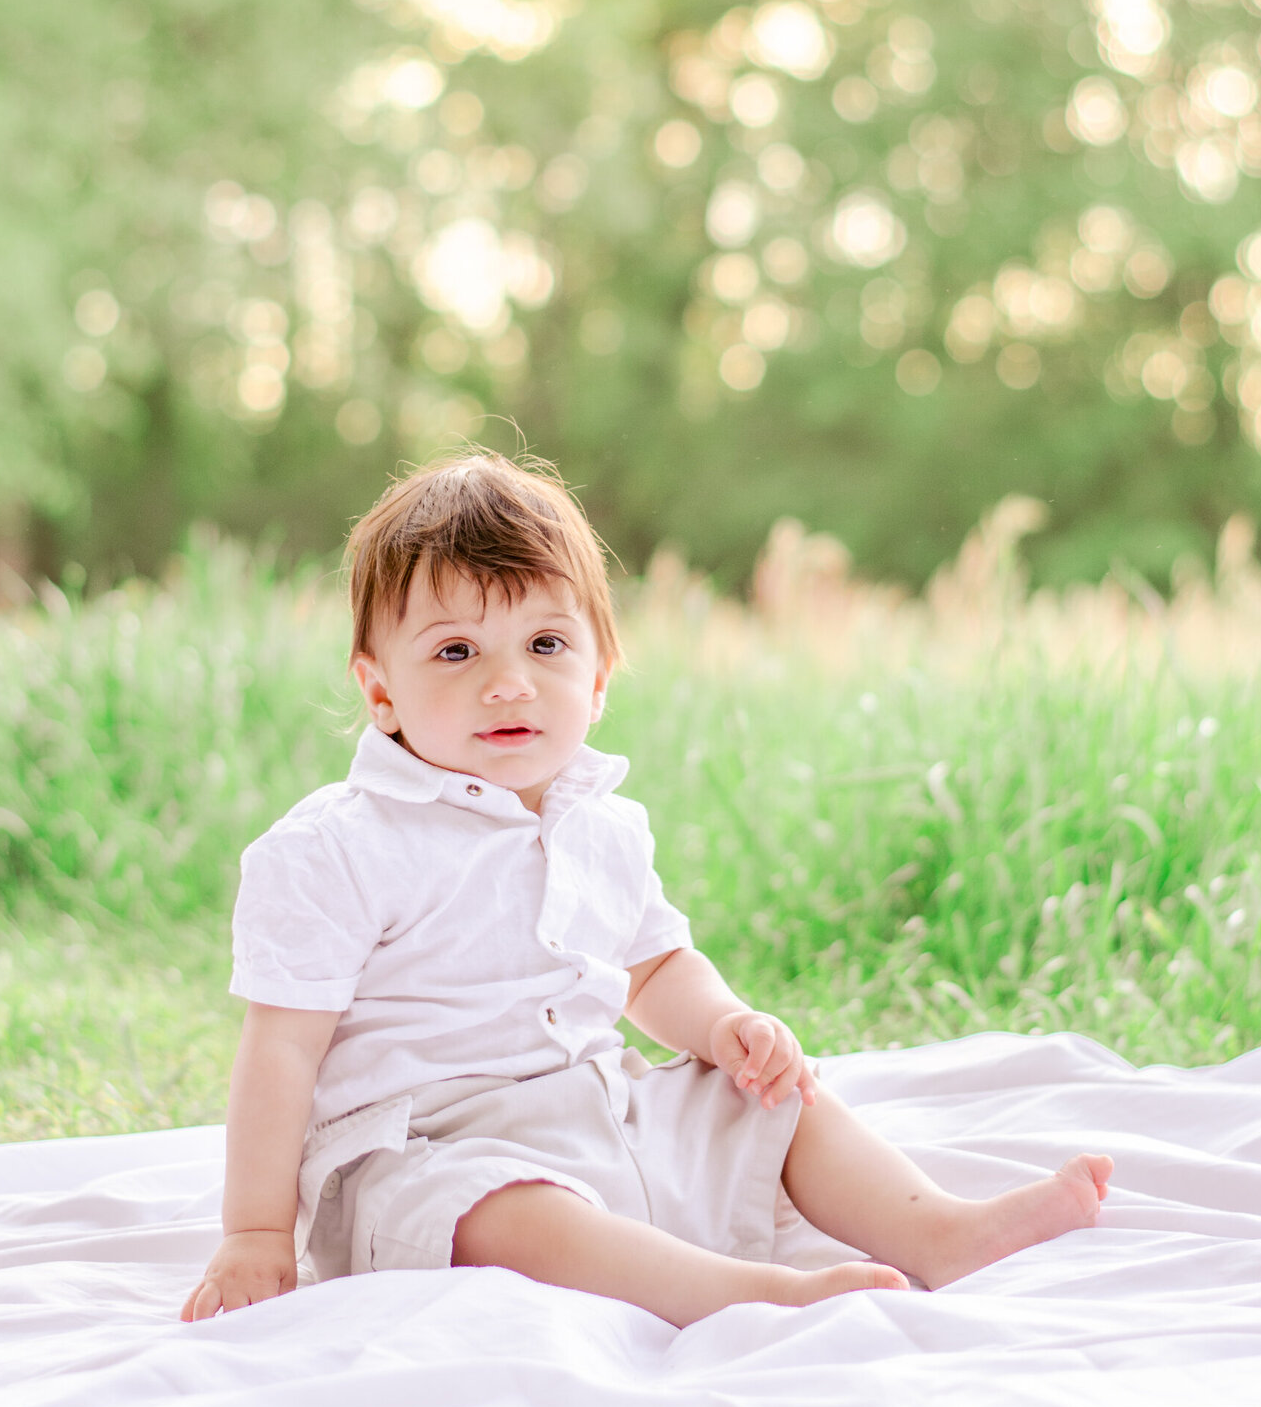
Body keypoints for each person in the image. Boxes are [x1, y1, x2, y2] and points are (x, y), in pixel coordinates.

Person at [183, 452, 1110, 1328]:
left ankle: (937, 1230)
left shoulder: (604, 823)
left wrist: (724, 1027)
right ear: (379, 690)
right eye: (457, 653)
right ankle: (735, 1292)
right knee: (514, 1214)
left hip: (596, 1109)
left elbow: (654, 967)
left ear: (598, 679)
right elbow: (281, 1053)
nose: (509, 685)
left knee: (775, 1099)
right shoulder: (337, 847)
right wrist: (255, 1233)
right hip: (431, 1153)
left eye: (545, 644)